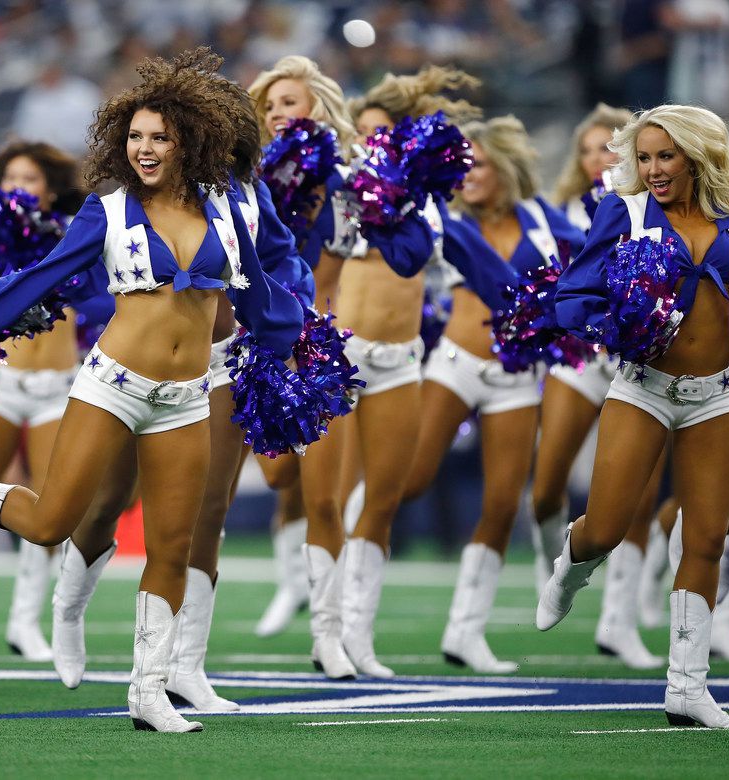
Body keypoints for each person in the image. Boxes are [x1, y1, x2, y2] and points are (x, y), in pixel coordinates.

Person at [0, 51, 303, 733]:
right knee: (54, 521)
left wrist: (299, 344)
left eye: (159, 138)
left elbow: (261, 297)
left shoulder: (227, 212)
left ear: (191, 142)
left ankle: (148, 692)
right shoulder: (109, 209)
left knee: (172, 547)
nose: (143, 149)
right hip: (111, 385)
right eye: (135, 136)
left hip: (186, 395)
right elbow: (38, 279)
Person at [47, 58, 314, 709]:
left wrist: (298, 314)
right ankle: (68, 608)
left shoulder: (248, 196)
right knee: (107, 501)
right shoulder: (137, 201)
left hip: (220, 364)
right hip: (131, 367)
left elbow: (281, 264)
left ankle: (183, 667)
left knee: (204, 514)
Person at [548, 104, 729, 729]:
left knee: (709, 539)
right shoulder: (627, 211)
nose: (654, 169)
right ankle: (572, 560)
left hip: (716, 396)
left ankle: (687, 689)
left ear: (697, 156)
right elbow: (572, 297)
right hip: (643, 387)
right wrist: (617, 324)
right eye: (644, 157)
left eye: (666, 156)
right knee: (608, 527)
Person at [401, 116, 585, 673]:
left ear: (504, 167)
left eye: (478, 164)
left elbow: (589, 261)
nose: (469, 175)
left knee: (504, 502)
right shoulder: (446, 216)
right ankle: (338, 600)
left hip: (518, 377)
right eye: (462, 166)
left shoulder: (540, 219)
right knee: (410, 480)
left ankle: (465, 632)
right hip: (454, 363)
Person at [336, 67, 480, 677]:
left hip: (400, 362)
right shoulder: (337, 187)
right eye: (362, 135)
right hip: (340, 356)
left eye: (382, 135)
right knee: (329, 497)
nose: (372, 145)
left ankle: (357, 635)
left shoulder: (426, 202)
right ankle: (326, 629)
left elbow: (464, 264)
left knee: (385, 498)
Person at [533, 103, 664, 669]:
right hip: (581, 355)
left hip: (643, 362)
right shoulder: (558, 211)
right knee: (546, 486)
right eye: (590, 150)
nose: (599, 159)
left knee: (637, 491)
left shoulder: (658, 208)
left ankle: (619, 622)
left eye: (609, 150)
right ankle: (557, 569)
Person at [247, 55, 361, 677]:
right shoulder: (252, 183)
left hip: (322, 342)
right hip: (263, 339)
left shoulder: (351, 179)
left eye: (288, 102)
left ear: (315, 107)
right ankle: (291, 579)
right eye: (268, 108)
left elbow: (400, 252)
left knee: (326, 499)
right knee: (277, 478)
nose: (277, 114)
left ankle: (329, 635)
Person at [0, 140, 95, 664]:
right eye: (9, 179)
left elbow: (97, 296)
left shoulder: (73, 234)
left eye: (28, 180)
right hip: (0, 380)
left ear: (48, 189)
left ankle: (23, 621)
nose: (17, 190)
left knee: (50, 505)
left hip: (55, 384)